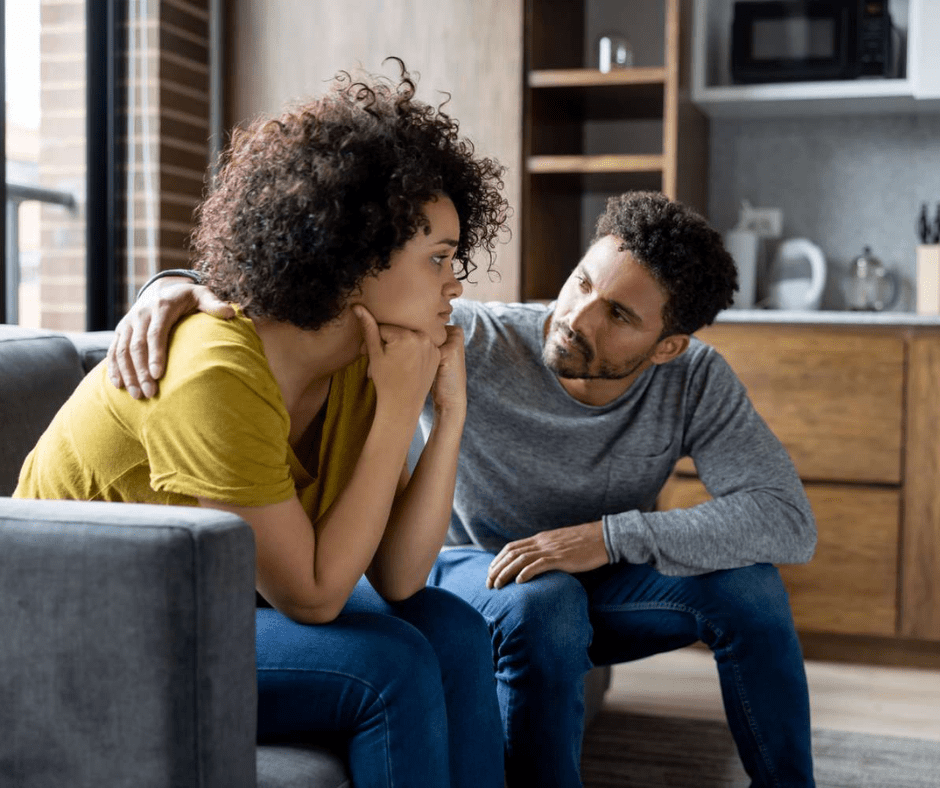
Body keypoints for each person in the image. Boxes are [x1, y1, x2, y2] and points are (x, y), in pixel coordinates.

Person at [108, 191, 818, 788]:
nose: (578, 316)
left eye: (620, 316)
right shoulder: (478, 338)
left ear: (668, 347)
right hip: (473, 571)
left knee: (750, 589)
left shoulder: (695, 380)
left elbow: (787, 520)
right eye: (582, 283)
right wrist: (168, 284)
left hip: (602, 572)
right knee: (546, 601)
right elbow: (296, 292)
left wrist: (605, 538)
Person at [15, 62, 509, 788]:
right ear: (351, 257)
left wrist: (449, 414)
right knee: (389, 666)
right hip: (83, 633)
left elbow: (401, 577)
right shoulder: (214, 367)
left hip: (208, 604)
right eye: (437, 258)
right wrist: (400, 407)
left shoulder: (359, 365)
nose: (456, 284)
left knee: (457, 631)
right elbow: (314, 596)